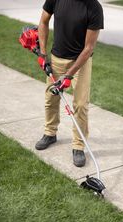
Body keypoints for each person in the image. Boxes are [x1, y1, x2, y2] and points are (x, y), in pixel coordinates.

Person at [35, 0, 104, 167]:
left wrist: (68, 75)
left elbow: (88, 48)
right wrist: (43, 54)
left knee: (80, 104)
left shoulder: (94, 7)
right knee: (50, 99)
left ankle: (78, 146)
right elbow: (43, 21)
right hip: (56, 58)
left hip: (81, 63)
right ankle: (50, 133)